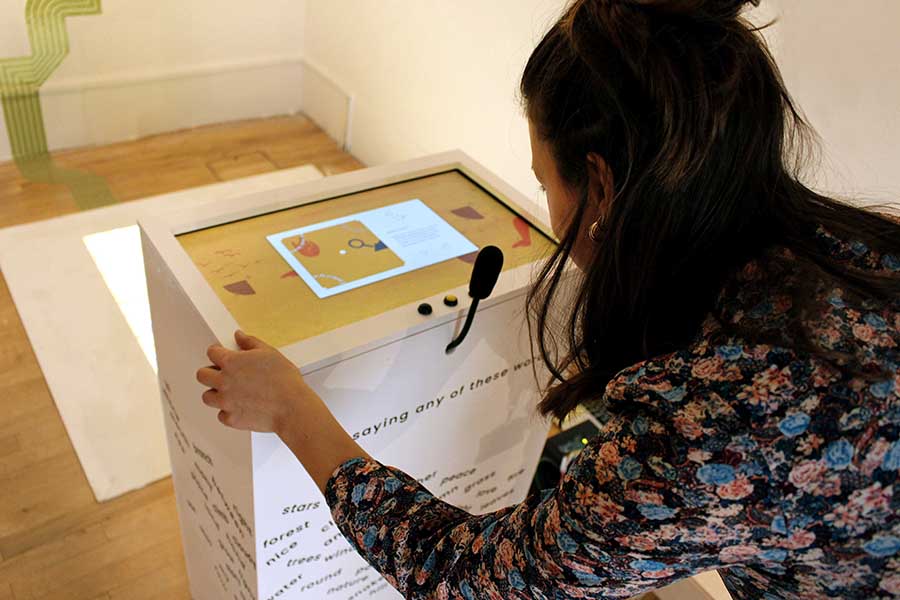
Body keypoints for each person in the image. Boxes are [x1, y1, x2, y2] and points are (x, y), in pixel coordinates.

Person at [195, 0, 900, 597]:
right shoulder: (860, 250)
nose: (551, 211)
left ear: (602, 186)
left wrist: (292, 410)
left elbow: (472, 579)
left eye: (544, 182)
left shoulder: (706, 428)